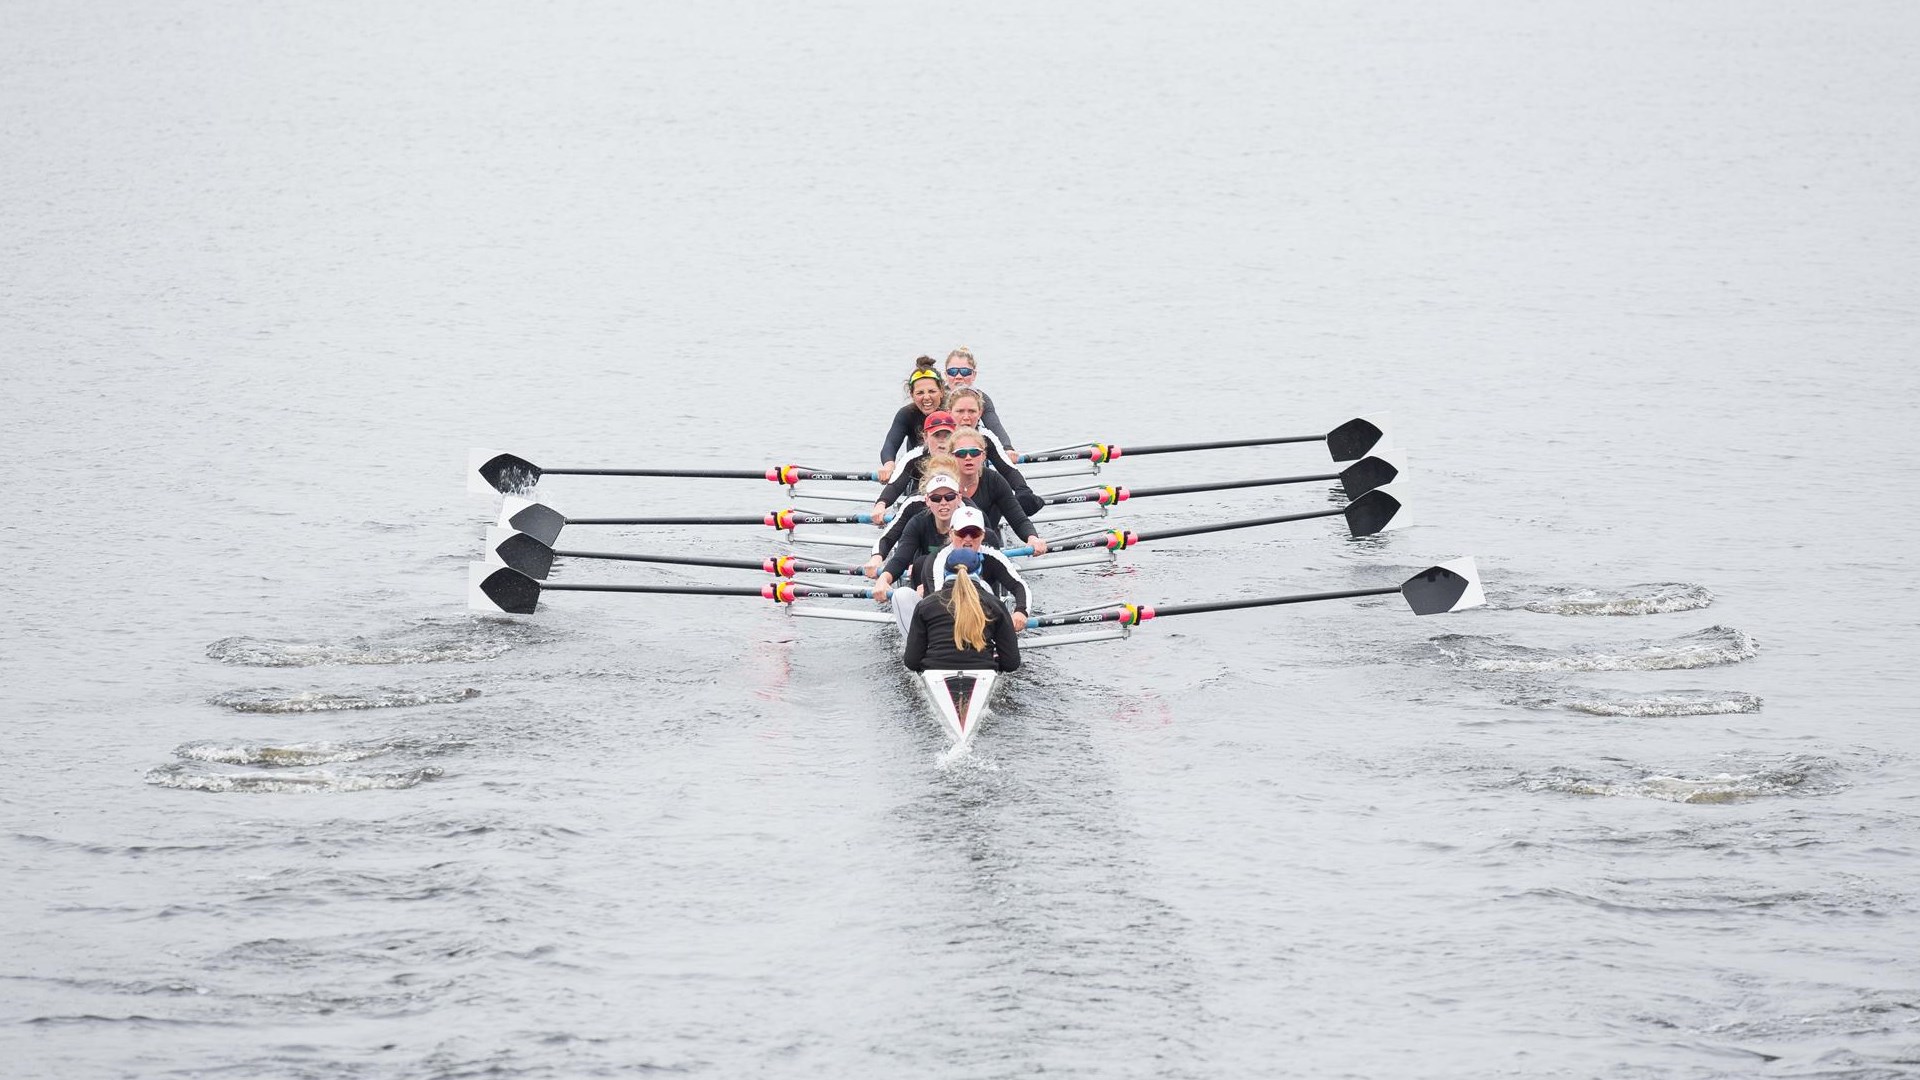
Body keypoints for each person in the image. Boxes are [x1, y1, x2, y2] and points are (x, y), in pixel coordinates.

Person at [908, 505, 1032, 633]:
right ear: (951, 534)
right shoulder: (937, 560)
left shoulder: (993, 556)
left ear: (983, 535)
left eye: (974, 533)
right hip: (943, 623)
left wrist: (1021, 611)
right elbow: (940, 600)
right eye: (961, 533)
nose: (968, 539)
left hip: (982, 619)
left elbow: (1019, 585)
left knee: (982, 587)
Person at [902, 547, 1022, 675]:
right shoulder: (995, 605)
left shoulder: (925, 606)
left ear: (945, 572)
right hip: (984, 670)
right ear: (980, 572)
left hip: (935, 670)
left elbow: (912, 662)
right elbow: (1011, 663)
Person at [870, 469, 971, 612]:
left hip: (967, 580)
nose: (943, 503)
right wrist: (884, 579)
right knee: (922, 563)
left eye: (949, 497)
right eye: (936, 498)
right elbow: (900, 558)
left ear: (959, 497)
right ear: (927, 501)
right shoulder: (918, 522)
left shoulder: (972, 522)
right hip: (927, 576)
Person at [947, 387, 1042, 517]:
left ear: (980, 413)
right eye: (960, 411)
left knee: (995, 486)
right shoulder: (940, 436)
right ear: (949, 413)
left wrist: (1022, 490)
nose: (966, 417)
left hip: (977, 492)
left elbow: (1007, 469)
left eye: (972, 411)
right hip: (946, 497)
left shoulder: (986, 436)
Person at [871, 410, 960, 522]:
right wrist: (881, 504)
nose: (942, 442)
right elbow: (895, 484)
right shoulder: (914, 456)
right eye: (936, 436)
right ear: (925, 437)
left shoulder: (963, 455)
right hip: (925, 506)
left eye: (947, 436)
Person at [876, 363, 946, 483]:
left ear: (941, 392)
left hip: (951, 473)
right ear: (912, 395)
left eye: (932, 391)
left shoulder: (954, 411)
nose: (926, 397)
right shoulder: (906, 414)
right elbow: (890, 444)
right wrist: (889, 465)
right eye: (920, 393)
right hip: (917, 478)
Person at [942, 348, 1014, 451]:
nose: (958, 376)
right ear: (946, 375)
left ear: (974, 375)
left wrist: (1007, 449)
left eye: (965, 372)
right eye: (952, 372)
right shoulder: (936, 396)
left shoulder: (983, 399)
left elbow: (995, 427)